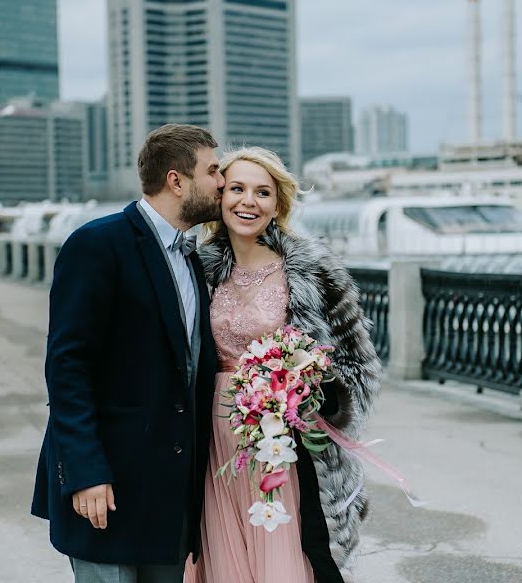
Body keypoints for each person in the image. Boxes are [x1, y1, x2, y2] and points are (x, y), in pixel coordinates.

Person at [31, 124, 225, 582]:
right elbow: (67, 367)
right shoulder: (98, 244)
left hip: (169, 494)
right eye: (213, 170)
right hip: (107, 486)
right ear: (177, 180)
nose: (222, 181)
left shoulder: (192, 256)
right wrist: (84, 472)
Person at [186, 147, 382, 583]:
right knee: (222, 557)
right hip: (213, 439)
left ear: (278, 205)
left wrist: (309, 397)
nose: (248, 201)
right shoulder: (195, 270)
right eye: (237, 189)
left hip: (285, 441)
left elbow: (358, 365)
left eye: (262, 192)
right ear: (220, 197)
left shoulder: (314, 271)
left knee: (287, 557)